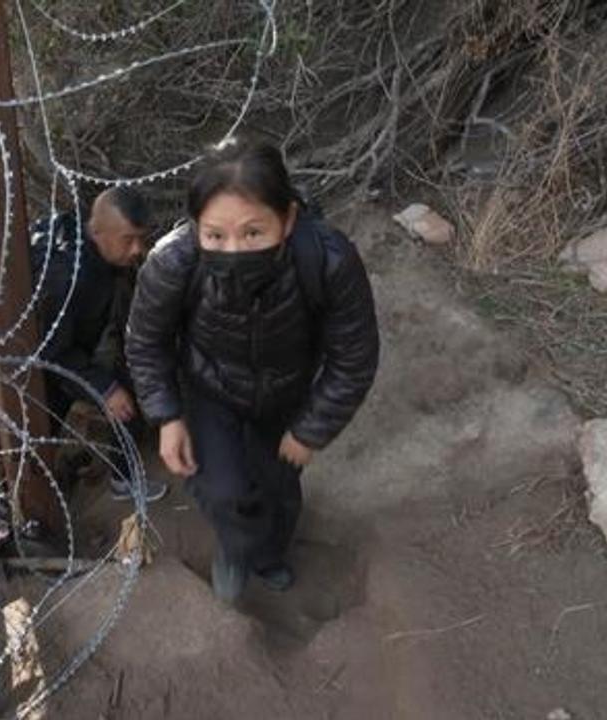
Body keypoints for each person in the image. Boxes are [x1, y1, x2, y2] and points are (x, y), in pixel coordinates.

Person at [126, 139, 380, 602]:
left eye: (253, 233)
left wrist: (309, 431)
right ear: (195, 226)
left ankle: (269, 555)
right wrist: (167, 416)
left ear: (288, 219)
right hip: (209, 388)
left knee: (280, 487)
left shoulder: (328, 258)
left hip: (287, 392)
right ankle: (236, 548)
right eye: (215, 235)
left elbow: (354, 357)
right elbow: (146, 341)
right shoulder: (174, 262)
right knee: (223, 490)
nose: (234, 249)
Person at [24, 187, 168, 501]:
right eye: (128, 239)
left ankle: (114, 478)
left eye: (140, 239)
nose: (137, 250)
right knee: (39, 431)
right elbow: (50, 349)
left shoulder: (99, 251)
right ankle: (26, 503)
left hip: (75, 348)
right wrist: (103, 387)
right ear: (98, 230)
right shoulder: (65, 275)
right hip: (44, 360)